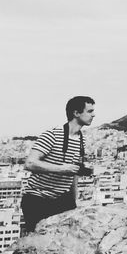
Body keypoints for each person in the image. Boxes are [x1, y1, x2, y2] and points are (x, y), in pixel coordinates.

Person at [21, 95, 95, 234]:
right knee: (38, 243)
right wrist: (62, 169)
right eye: (90, 111)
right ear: (76, 113)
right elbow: (29, 163)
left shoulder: (81, 140)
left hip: (62, 200)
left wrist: (74, 204)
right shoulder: (53, 134)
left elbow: (73, 173)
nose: (94, 115)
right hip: (37, 199)